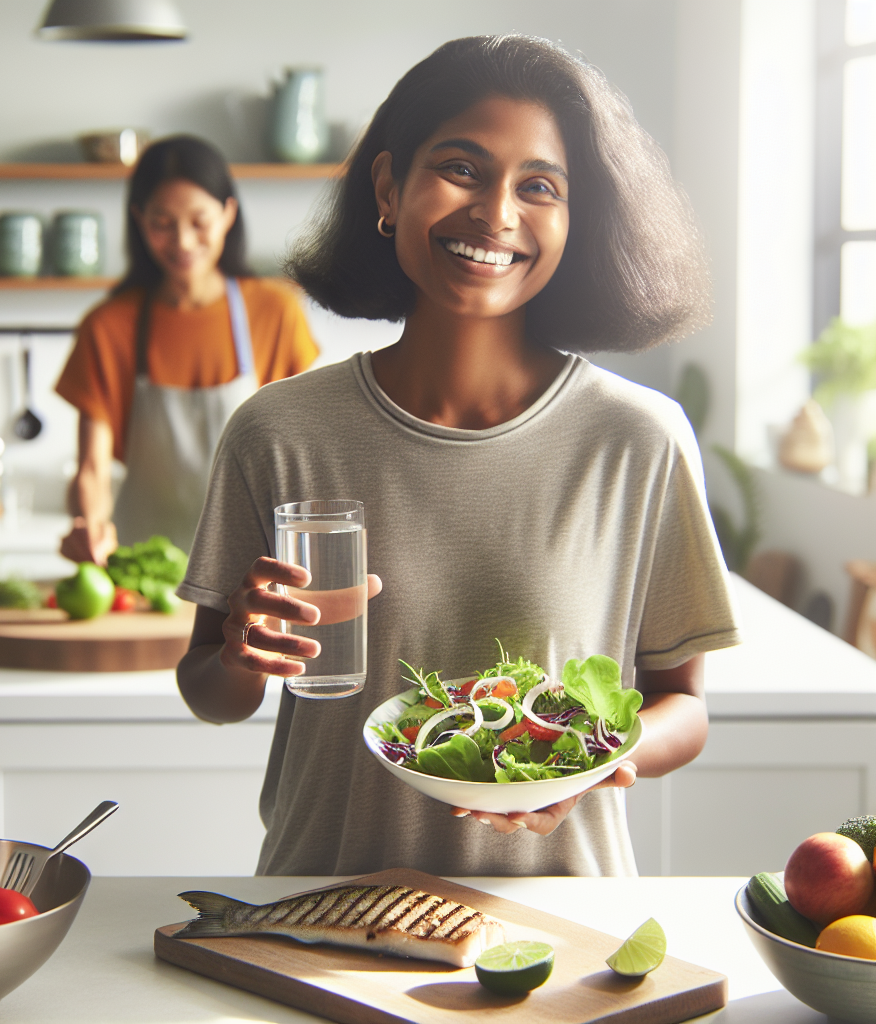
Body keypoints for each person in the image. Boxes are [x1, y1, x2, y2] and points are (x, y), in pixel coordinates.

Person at [174, 36, 741, 877]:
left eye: (539, 186)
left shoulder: (639, 440)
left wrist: (599, 764)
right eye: (464, 170)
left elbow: (682, 708)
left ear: (576, 220)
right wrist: (238, 656)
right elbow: (208, 693)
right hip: (318, 904)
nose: (497, 214)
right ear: (388, 189)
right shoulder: (278, 429)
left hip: (560, 922)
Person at [56, 135, 319, 561]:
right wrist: (88, 527)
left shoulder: (275, 312)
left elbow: (302, 452)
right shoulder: (107, 327)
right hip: (140, 568)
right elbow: (91, 469)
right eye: (162, 222)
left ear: (228, 214)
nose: (181, 241)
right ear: (139, 220)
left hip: (252, 569)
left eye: (199, 221)